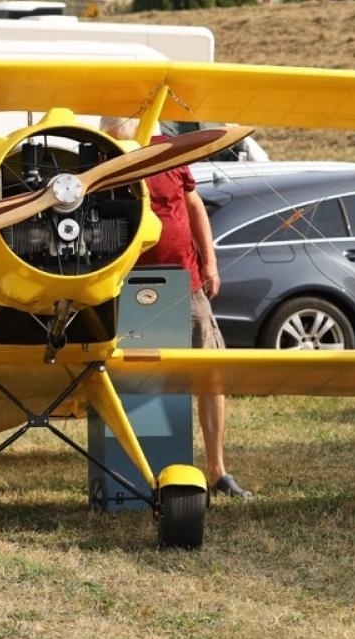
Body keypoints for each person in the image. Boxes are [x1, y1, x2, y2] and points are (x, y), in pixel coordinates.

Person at [99, 117, 253, 500]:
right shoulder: (101, 158)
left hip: (185, 280)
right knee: (125, 378)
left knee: (210, 373)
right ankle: (129, 473)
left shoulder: (168, 151)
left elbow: (193, 204)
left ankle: (217, 471)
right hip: (124, 286)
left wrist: (210, 263)